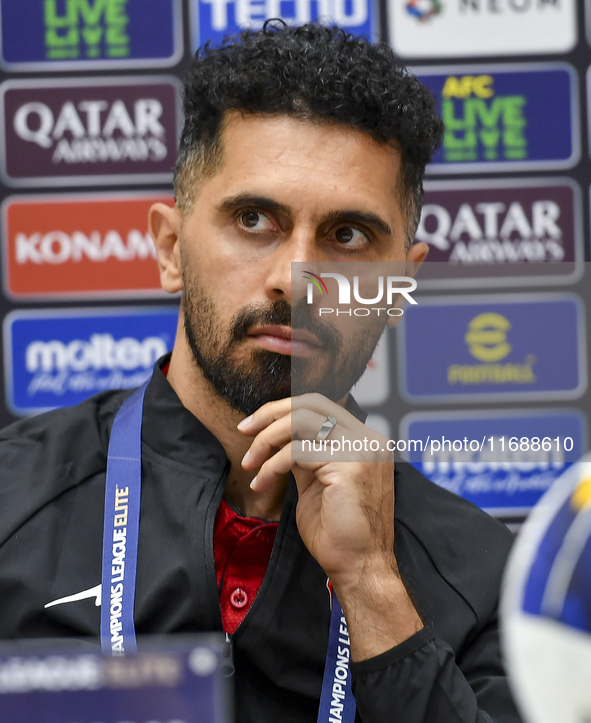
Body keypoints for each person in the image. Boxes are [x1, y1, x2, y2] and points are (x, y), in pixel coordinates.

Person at [0, 23, 521, 722]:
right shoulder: (13, 502)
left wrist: (371, 585)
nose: (294, 278)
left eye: (346, 236)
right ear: (171, 247)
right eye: (254, 219)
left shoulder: (489, 580)